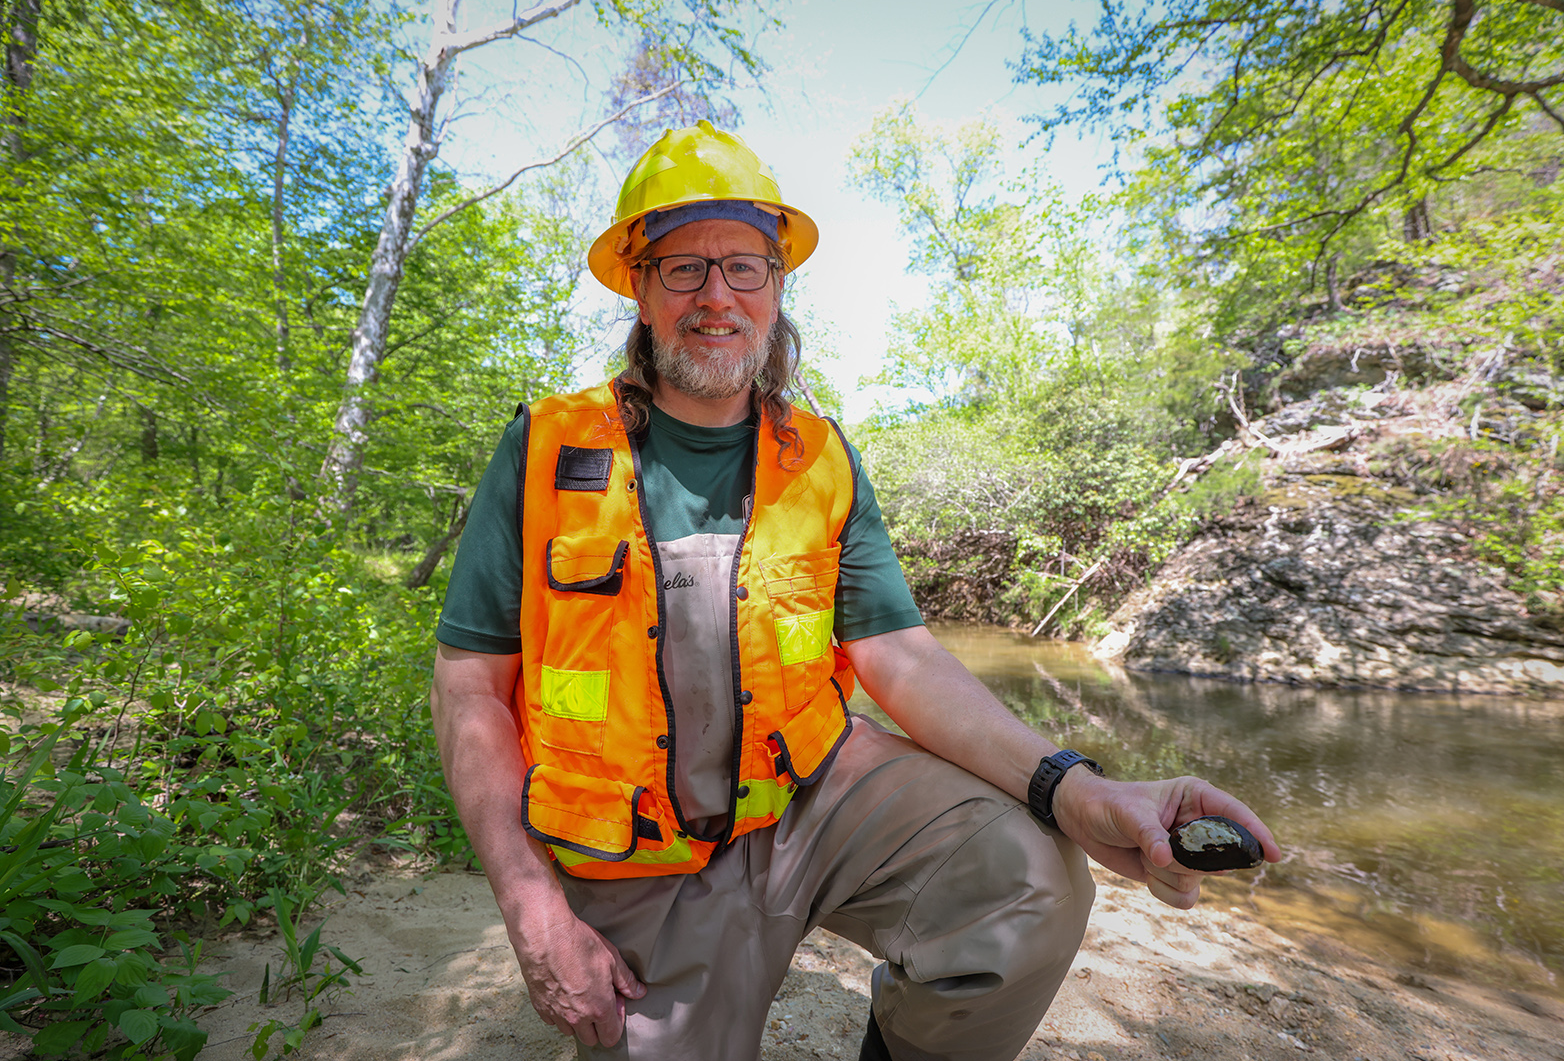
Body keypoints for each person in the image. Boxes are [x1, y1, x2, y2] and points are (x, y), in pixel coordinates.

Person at [429, 121, 1281, 1061]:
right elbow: (470, 690)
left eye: (744, 266)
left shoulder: (822, 456)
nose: (717, 297)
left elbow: (901, 660)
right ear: (639, 285)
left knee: (1028, 874)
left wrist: (1073, 789)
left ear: (778, 283)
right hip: (637, 858)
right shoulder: (548, 449)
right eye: (683, 268)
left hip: (810, 799)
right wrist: (534, 907)